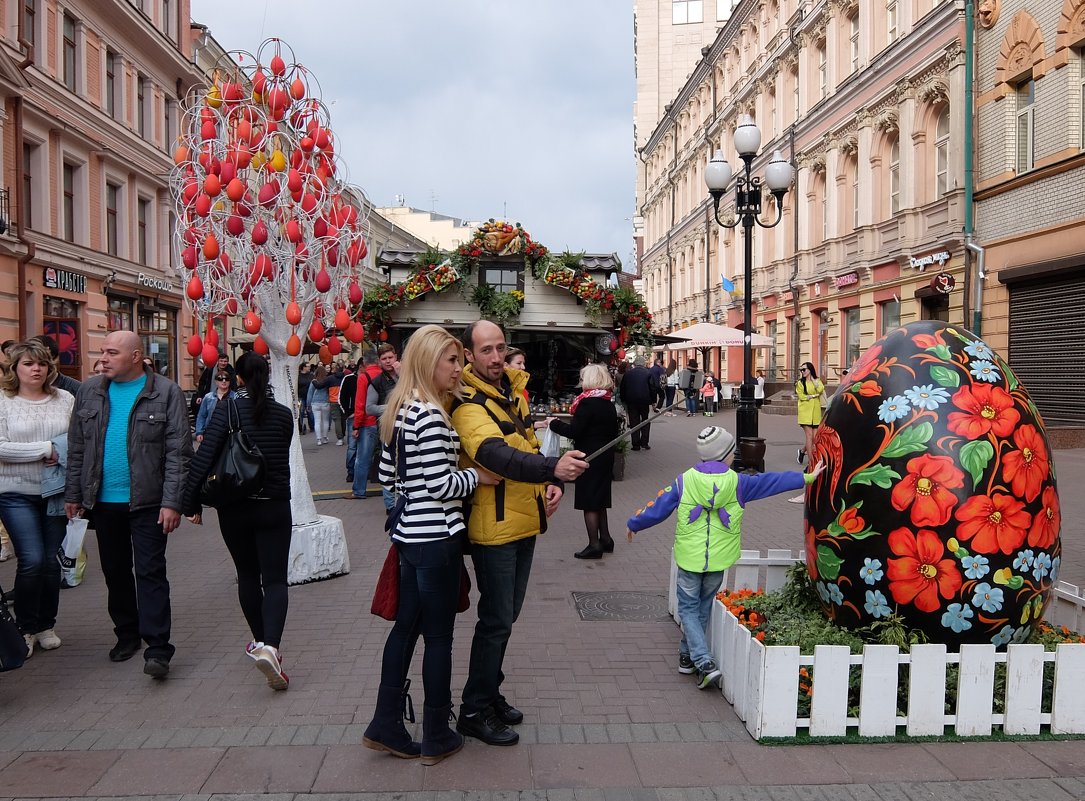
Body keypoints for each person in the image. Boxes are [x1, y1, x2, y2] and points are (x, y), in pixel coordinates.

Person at [363, 325, 499, 765]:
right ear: (428, 363)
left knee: (405, 629)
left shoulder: (399, 411)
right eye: (452, 361)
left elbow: (387, 479)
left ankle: (386, 722)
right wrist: (476, 475)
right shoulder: (432, 416)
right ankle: (437, 732)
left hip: (407, 539)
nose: (459, 369)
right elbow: (443, 485)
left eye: (460, 360)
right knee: (439, 639)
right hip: (437, 538)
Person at [452, 320, 588, 747]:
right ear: (470, 355)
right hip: (493, 528)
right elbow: (494, 455)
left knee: (505, 618)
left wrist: (551, 482)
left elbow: (528, 444)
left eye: (499, 348)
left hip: (524, 519)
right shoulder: (467, 402)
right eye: (485, 351)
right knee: (495, 620)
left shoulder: (513, 389)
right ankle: (474, 709)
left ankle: (488, 693)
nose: (494, 358)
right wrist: (551, 469)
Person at [627, 426, 825, 688]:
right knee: (701, 607)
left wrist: (634, 523)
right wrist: (807, 478)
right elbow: (773, 482)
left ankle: (699, 659)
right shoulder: (739, 483)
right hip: (719, 558)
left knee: (689, 608)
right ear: (725, 456)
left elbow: (658, 506)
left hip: (689, 557)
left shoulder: (684, 481)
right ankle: (691, 658)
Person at [64, 330, 192, 678]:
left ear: (136, 356)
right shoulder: (90, 391)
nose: (103, 358)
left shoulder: (166, 393)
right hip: (104, 503)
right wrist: (74, 495)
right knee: (115, 572)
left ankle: (158, 648)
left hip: (149, 503)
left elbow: (178, 454)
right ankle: (126, 634)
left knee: (150, 572)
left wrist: (172, 503)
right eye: (102, 352)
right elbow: (77, 447)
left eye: (111, 353)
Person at [181, 352, 295, 690]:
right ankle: (271, 648)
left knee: (247, 575)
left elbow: (205, 457)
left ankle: (261, 642)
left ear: (239, 378)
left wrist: (190, 502)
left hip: (236, 507)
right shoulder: (285, 415)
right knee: (275, 580)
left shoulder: (227, 409)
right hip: (275, 505)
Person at [0, 340, 75, 657]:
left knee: (49, 563)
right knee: (31, 560)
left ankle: (46, 624)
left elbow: (78, 440)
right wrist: (48, 449)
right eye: (28, 363)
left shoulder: (65, 399)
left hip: (56, 493)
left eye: (41, 363)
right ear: (15, 368)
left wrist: (63, 451)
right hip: (15, 492)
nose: (36, 369)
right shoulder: (4, 401)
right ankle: (25, 627)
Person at [545, 363, 620, 559]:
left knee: (589, 500)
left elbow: (574, 431)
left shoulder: (587, 403)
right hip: (605, 456)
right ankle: (606, 539)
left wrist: (554, 423)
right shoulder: (607, 402)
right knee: (600, 498)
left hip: (588, 457)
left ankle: (594, 544)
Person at [366, 344, 400, 505]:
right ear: (379, 362)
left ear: (396, 357)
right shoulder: (376, 382)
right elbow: (369, 408)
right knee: (388, 464)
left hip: (408, 427)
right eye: (384, 359)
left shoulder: (407, 376)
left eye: (390, 358)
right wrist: (392, 407)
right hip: (388, 429)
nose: (388, 361)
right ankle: (390, 504)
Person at [346, 350, 381, 499]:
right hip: (384, 421)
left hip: (368, 422)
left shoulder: (363, 377)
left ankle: (359, 491)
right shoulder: (384, 374)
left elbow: (360, 403)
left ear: (364, 363)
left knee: (363, 458)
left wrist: (356, 426)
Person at [619, 356, 654, 451]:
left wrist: (623, 399)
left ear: (634, 363)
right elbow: (652, 388)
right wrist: (653, 401)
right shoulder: (648, 373)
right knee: (645, 420)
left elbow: (622, 388)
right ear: (643, 363)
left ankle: (636, 444)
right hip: (644, 400)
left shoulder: (628, 374)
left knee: (634, 421)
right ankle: (645, 443)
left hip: (631, 401)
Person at [795, 362, 825, 466]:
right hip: (805, 411)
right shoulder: (800, 383)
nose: (802, 372)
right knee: (809, 436)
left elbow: (820, 389)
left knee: (814, 438)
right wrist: (812, 396)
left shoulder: (817, 381)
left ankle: (802, 451)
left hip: (815, 412)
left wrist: (813, 380)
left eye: (804, 370)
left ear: (810, 370)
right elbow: (801, 395)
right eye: (801, 370)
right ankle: (812, 462)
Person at [194, 369, 236, 444]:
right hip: (211, 431)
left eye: (226, 379)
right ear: (216, 382)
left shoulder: (235, 397)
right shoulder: (208, 397)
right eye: (220, 379)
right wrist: (199, 432)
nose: (224, 381)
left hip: (230, 433)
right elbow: (201, 416)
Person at [191, 352, 235, 422]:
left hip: (226, 397)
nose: (223, 363)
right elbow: (202, 382)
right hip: (210, 395)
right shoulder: (210, 369)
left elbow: (233, 385)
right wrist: (200, 395)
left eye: (225, 361)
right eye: (221, 361)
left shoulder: (231, 371)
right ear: (218, 361)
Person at [339, 360, 361, 482]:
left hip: (368, 416)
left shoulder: (372, 377)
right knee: (352, 446)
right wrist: (348, 413)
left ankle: (362, 471)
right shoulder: (349, 379)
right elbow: (342, 397)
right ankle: (351, 471)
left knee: (364, 446)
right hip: (353, 416)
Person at [307, 364, 332, 445]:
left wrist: (308, 404)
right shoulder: (327, 381)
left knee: (317, 421)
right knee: (325, 420)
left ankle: (318, 439)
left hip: (315, 403)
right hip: (325, 402)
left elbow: (310, 393)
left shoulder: (314, 381)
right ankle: (325, 438)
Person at [297, 362, 314, 434]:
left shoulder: (311, 375)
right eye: (308, 366)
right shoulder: (298, 375)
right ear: (303, 367)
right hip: (300, 396)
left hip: (309, 396)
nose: (309, 368)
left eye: (309, 366)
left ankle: (312, 427)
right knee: (300, 412)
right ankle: (300, 427)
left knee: (310, 412)